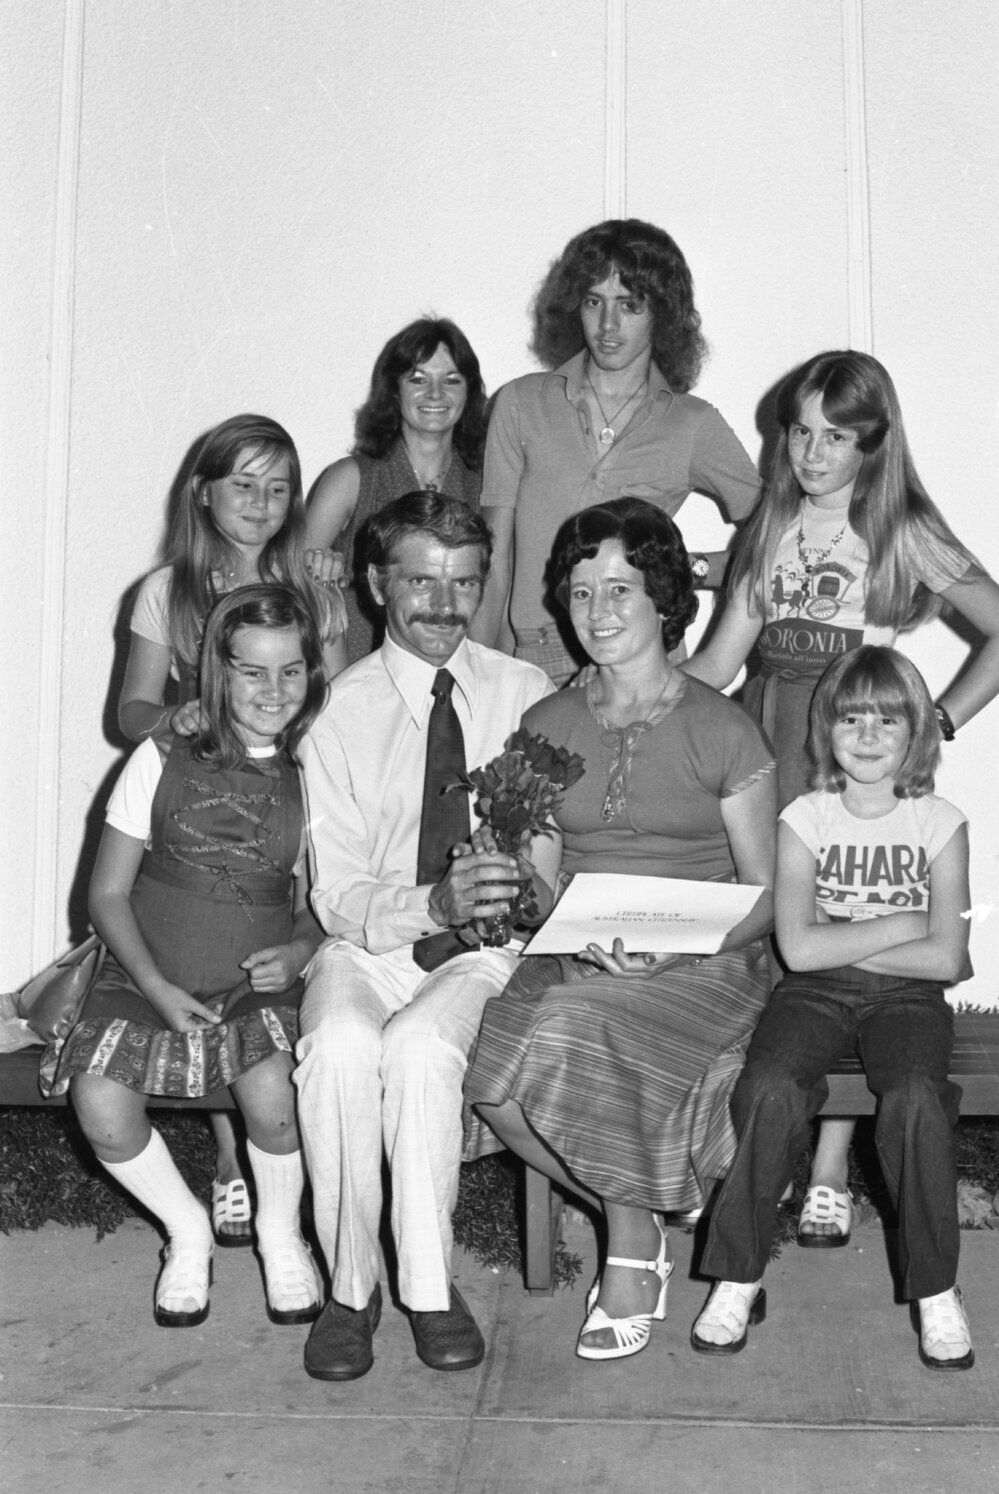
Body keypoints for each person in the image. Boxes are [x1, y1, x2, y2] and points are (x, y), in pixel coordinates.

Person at [682, 350, 999, 1245]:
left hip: (845, 746)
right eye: (798, 432)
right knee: (773, 940)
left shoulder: (900, 525)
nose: (810, 454)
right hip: (763, 735)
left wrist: (934, 719)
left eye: (834, 437)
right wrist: (637, 693)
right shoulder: (772, 522)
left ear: (872, 444)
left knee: (850, 933)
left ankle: (827, 1166)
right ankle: (749, 1148)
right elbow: (714, 665)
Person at [464, 498, 777, 1363]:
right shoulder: (545, 725)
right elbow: (539, 873)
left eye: (619, 590)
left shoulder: (722, 726)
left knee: (569, 1028)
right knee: (490, 1088)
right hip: (582, 946)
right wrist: (535, 901)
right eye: (578, 592)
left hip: (709, 961)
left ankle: (631, 1251)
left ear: (666, 599)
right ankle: (645, 1204)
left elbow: (766, 896)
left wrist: (670, 948)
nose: (596, 613)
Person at [295, 491, 552, 1381]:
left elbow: (549, 848)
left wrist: (518, 893)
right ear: (375, 583)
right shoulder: (335, 710)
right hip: (369, 943)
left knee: (416, 1052)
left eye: (463, 583)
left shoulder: (523, 693)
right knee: (333, 1044)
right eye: (420, 581)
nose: (443, 606)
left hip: (479, 955)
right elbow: (336, 895)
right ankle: (351, 1289)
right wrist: (430, 905)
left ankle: (430, 1285)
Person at [42, 586, 330, 1328]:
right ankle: (186, 1230)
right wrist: (156, 986)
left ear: (312, 672)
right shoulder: (160, 755)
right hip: (147, 972)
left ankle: (278, 1230)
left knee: (275, 1098)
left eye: (290, 671)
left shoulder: (316, 770)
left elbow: (323, 900)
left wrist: (299, 949)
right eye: (251, 672)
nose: (272, 691)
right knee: (101, 1106)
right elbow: (107, 895)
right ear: (215, 673)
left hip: (254, 981)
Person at [692, 647, 974, 1370]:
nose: (870, 734)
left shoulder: (938, 822)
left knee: (914, 1097)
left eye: (889, 718)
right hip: (812, 995)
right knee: (769, 1088)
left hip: (908, 999)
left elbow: (944, 963)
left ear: (917, 732)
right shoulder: (803, 817)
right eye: (852, 718)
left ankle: (936, 1290)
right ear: (826, 730)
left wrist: (839, 939)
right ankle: (737, 1273)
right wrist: (904, 926)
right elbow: (796, 948)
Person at [118, 412, 347, 1245]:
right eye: (242, 484)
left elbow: (333, 700)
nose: (259, 502)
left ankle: (277, 1148)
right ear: (203, 492)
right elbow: (130, 708)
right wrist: (176, 719)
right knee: (204, 951)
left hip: (288, 787)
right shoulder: (165, 589)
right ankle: (225, 1159)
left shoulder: (314, 586)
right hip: (202, 785)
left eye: (278, 488)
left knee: (271, 946)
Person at [476, 219, 760, 683]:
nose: (608, 326)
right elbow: (494, 561)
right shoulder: (520, 404)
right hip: (538, 656)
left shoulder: (692, 424)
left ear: (662, 315)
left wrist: (689, 568)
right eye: (594, 302)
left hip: (644, 657)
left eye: (629, 305)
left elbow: (781, 533)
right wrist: (484, 669)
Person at [304, 317, 487, 660]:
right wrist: (318, 567)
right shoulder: (350, 478)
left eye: (451, 380)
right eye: (418, 379)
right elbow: (293, 576)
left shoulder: (486, 484)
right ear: (393, 390)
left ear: (469, 391)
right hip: (356, 671)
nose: (435, 393)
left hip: (456, 673)